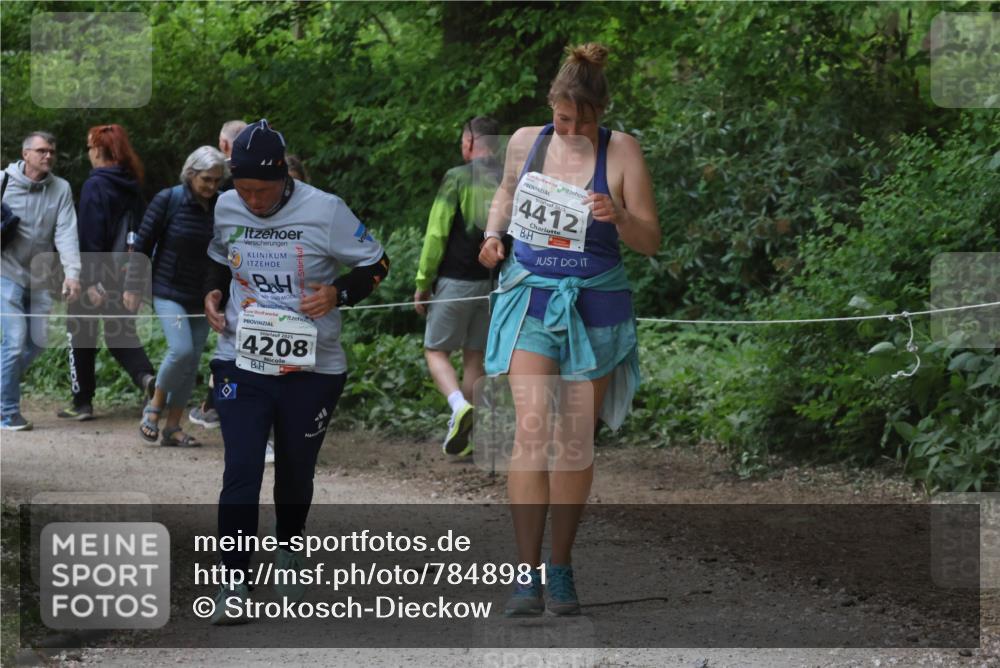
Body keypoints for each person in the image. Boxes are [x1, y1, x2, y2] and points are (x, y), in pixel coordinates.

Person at [478, 43, 660, 616]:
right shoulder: (524, 142)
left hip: (596, 306)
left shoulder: (623, 151)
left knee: (573, 442)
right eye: (564, 117)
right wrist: (493, 234)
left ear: (602, 112)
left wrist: (621, 216)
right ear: (551, 105)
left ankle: (561, 569)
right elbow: (506, 192)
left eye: (586, 118)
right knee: (532, 431)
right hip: (529, 298)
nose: (574, 127)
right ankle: (524, 576)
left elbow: (651, 241)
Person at [202, 120, 389, 624]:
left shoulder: (324, 210)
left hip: (313, 364)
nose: (254, 202)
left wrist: (338, 293)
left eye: (262, 191)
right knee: (241, 468)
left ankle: (288, 549)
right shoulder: (226, 205)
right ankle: (234, 581)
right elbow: (219, 258)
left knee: (294, 469)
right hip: (241, 356)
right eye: (244, 191)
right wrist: (214, 292)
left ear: (284, 176)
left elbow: (377, 264)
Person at [124, 146, 228, 447]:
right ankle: (153, 408)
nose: (212, 187)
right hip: (168, 289)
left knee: (192, 361)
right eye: (206, 179)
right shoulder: (168, 199)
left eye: (217, 181)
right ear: (191, 174)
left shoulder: (222, 205)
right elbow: (142, 244)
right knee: (180, 351)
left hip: (204, 295)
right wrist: (132, 286)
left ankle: (172, 427)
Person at [414, 116, 501, 457]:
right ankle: (468, 437)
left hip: (455, 281)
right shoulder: (509, 180)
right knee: (474, 359)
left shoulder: (457, 178)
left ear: (468, 142)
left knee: (435, 351)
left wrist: (423, 283)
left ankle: (456, 407)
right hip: (494, 286)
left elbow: (436, 235)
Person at [58, 125, 157, 421]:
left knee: (80, 335)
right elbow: (142, 235)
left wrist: (88, 282)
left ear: (100, 151)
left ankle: (82, 402)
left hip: (94, 278)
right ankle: (147, 379)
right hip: (124, 275)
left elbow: (90, 238)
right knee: (121, 335)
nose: (88, 153)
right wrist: (134, 284)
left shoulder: (96, 185)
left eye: (90, 148)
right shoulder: (133, 185)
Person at [1, 132, 82, 430]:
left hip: (40, 277)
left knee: (37, 342)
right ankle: (6, 412)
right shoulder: (2, 182)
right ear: (25, 155)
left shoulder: (60, 189)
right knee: (13, 343)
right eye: (41, 151)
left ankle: (1, 386)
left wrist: (72, 274)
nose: (48, 156)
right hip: (5, 273)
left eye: (52, 151)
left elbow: (66, 232)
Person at [189, 119, 248, 431]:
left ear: (224, 146)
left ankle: (220, 405)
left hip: (232, 278)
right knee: (231, 350)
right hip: (229, 278)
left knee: (232, 350)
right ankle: (217, 404)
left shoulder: (223, 186)